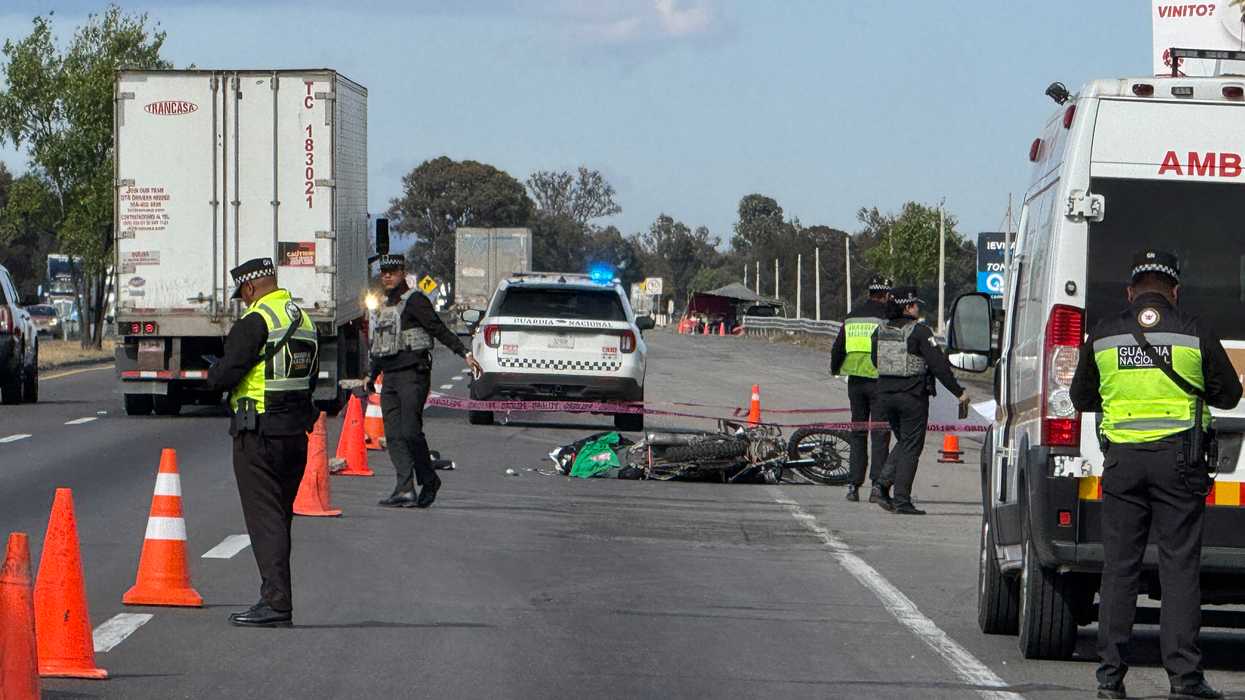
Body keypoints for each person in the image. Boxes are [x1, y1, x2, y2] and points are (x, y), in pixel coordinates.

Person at [1070, 250, 1240, 700]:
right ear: (1175, 292)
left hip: (1123, 463)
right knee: (1179, 567)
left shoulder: (1104, 333)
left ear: (1131, 292)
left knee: (1120, 568)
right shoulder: (1195, 329)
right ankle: (1184, 679)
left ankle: (1110, 677)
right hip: (1180, 463)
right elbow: (1229, 395)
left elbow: (1081, 395)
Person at [205, 257, 319, 627]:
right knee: (279, 518)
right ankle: (274, 595)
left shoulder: (255, 321)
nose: (243, 300)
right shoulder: (304, 321)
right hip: (295, 434)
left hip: (259, 434)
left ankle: (276, 602)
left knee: (265, 519)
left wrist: (213, 373)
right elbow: (311, 379)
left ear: (250, 287)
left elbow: (225, 375)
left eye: (242, 294)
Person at [367, 254, 481, 508]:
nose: (387, 276)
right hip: (391, 378)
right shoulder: (386, 305)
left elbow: (437, 329)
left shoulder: (416, 300)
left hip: (412, 375)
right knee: (394, 435)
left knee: (410, 431)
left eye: (393, 271)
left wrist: (464, 353)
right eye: (384, 272)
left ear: (402, 273)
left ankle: (428, 479)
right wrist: (370, 375)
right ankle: (404, 488)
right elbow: (380, 346)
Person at [873, 286, 970, 515]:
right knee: (911, 447)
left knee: (905, 441)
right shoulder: (920, 332)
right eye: (916, 304)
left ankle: (881, 486)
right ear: (907, 306)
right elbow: (939, 366)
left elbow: (876, 361)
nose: (918, 308)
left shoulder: (879, 331)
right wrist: (959, 392)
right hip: (912, 397)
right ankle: (901, 500)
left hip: (885, 395)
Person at [830, 274, 894, 502]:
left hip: (855, 381)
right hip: (880, 381)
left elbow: (838, 347)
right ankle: (877, 485)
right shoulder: (887, 317)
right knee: (880, 433)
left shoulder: (851, 316)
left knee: (857, 432)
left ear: (869, 292)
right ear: (886, 294)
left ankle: (853, 485)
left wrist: (835, 369)